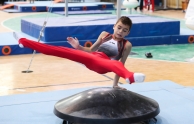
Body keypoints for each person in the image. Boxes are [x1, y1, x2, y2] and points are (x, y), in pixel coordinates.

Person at [13, 16, 145, 90]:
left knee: (116, 63)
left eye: (125, 30)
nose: (120, 31)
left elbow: (121, 64)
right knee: (60, 50)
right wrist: (78, 46)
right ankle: (23, 41)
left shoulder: (127, 45)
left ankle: (130, 76)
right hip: (92, 57)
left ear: (128, 33)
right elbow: (91, 50)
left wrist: (115, 84)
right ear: (114, 26)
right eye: (119, 27)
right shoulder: (104, 35)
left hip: (104, 65)